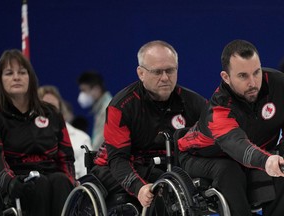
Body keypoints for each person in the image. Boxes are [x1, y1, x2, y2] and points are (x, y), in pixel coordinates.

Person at [91, 40, 206, 210]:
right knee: (162, 185)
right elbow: (117, 160)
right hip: (115, 167)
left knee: (181, 182)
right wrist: (138, 187)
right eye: (157, 72)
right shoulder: (121, 106)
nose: (165, 78)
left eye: (170, 70)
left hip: (166, 166)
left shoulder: (194, 103)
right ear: (141, 73)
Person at [178, 39, 284, 216]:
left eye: (256, 72)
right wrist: (267, 161)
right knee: (228, 169)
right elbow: (238, 146)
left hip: (258, 149)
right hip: (202, 156)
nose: (253, 82)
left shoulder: (278, 83)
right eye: (243, 76)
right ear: (225, 77)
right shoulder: (218, 110)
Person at [0, 49, 77, 216]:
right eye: (9, 73)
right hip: (17, 182)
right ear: (0, 80)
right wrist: (10, 183)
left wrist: (70, 180)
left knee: (61, 180)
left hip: (53, 178)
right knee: (38, 184)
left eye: (22, 72)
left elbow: (66, 156)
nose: (16, 77)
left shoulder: (51, 113)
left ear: (30, 77)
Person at [38, 85, 92, 179]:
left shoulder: (81, 138)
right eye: (45, 107)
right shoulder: (28, 138)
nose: (50, 112)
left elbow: (87, 176)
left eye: (53, 107)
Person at [77, 71, 112, 151]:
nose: (82, 95)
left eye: (84, 90)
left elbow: (99, 145)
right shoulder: (101, 108)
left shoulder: (106, 109)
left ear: (96, 89)